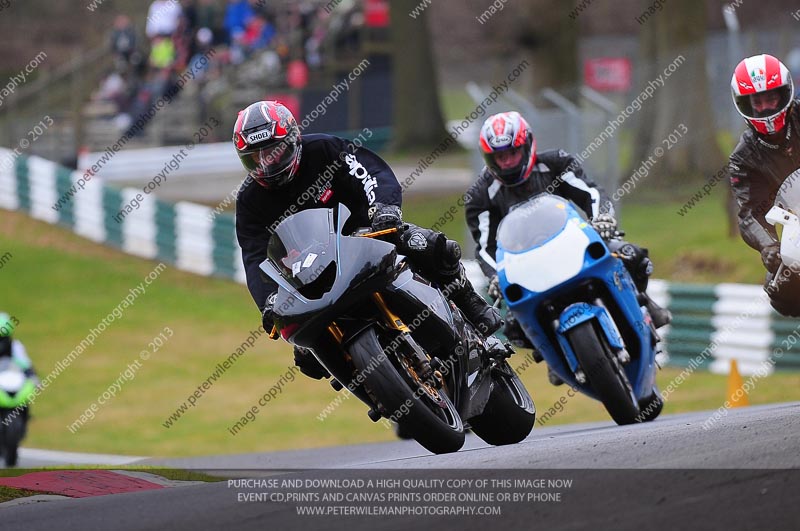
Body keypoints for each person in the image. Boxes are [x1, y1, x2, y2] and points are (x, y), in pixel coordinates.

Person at [234, 101, 501, 380]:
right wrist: (268, 302)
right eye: (256, 157)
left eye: (274, 153)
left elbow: (370, 172)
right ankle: (371, 385)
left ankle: (470, 304)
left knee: (430, 245)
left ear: (294, 139)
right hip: (311, 272)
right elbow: (255, 256)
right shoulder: (250, 200)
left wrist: (385, 209)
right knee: (306, 356)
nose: (267, 164)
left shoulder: (325, 150)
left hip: (366, 232)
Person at [465, 111, 671, 385]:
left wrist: (602, 219)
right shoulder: (480, 194)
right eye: (499, 157)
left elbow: (591, 192)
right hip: (526, 266)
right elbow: (484, 246)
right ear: (488, 159)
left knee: (632, 255)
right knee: (513, 325)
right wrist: (495, 276)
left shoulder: (556, 163)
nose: (507, 163)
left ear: (526, 146)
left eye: (511, 153)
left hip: (572, 245)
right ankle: (552, 352)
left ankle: (643, 303)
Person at [729, 53, 800, 316]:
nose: (767, 107)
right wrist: (769, 245)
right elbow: (751, 213)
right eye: (757, 102)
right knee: (779, 288)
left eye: (772, 97)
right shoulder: (744, 157)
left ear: (785, 94)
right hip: (798, 231)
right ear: (744, 104)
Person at [0, 313, 39, 400]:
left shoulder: (15, 346)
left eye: (2, 339)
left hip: (12, 382)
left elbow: (24, 362)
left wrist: (32, 375)